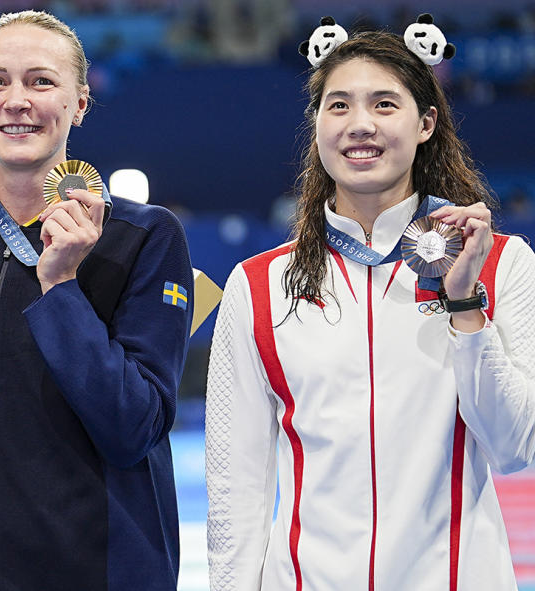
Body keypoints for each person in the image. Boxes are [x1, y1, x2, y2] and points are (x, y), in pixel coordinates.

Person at [205, 23, 535, 591]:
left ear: (425, 123)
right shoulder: (259, 284)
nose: (361, 124)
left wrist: (464, 304)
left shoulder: (501, 262)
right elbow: (235, 482)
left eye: (384, 104)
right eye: (339, 105)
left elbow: (513, 447)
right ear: (317, 126)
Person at [0, 10, 193, 591]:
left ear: (80, 103)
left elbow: (133, 427)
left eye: (41, 81)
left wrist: (60, 287)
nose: (17, 100)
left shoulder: (144, 238)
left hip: (100, 573)